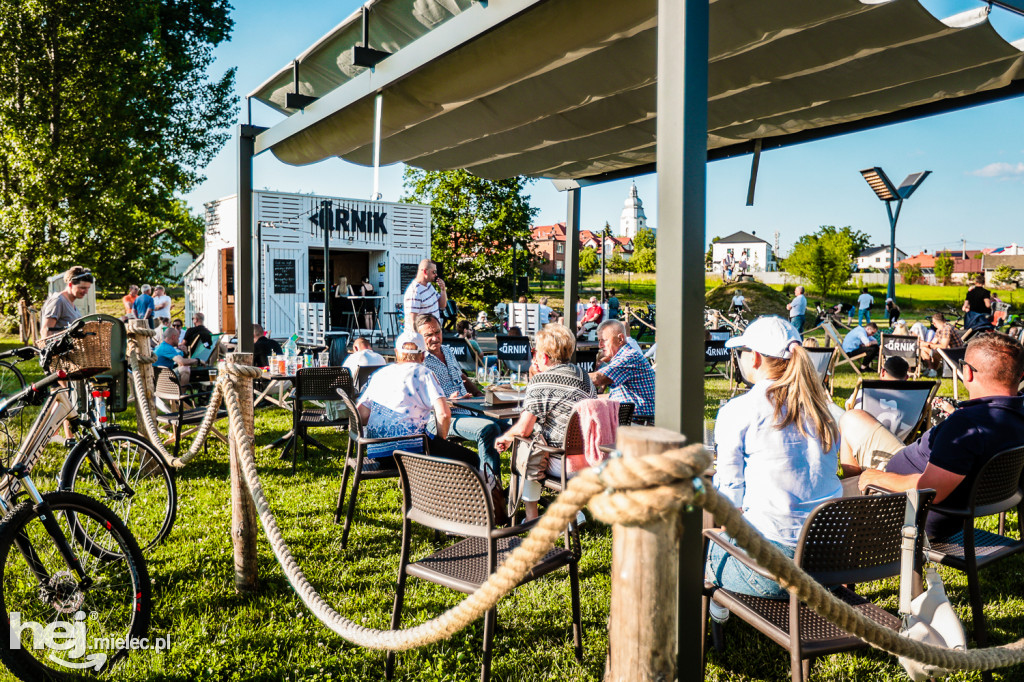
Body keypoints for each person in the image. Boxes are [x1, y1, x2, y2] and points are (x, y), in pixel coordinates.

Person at [707, 317, 842, 611]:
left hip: (771, 572)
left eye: (741, 352)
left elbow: (730, 499)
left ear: (754, 357)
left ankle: (717, 606)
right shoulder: (826, 412)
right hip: (828, 566)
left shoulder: (740, 409)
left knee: (692, 551)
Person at [846, 333, 1024, 538]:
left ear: (967, 372)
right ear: (1020, 375)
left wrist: (877, 477)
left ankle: (859, 504)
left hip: (912, 511)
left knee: (849, 419)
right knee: (854, 417)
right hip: (940, 492)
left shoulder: (966, 426)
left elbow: (930, 490)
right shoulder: (1012, 415)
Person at [495, 324, 596, 520]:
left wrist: (507, 437)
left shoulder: (541, 381)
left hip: (559, 460)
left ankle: (531, 516)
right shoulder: (584, 376)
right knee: (533, 440)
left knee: (527, 445)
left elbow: (523, 429)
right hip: (587, 458)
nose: (533, 356)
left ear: (544, 356)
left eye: (535, 352)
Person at [355, 330, 479, 467]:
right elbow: (444, 414)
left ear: (396, 353)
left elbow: (362, 414)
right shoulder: (424, 374)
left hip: (377, 453)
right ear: (423, 355)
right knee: (472, 459)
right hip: (411, 452)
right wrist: (440, 442)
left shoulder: (380, 373)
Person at [415, 315, 508, 473]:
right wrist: (445, 401)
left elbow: (461, 376)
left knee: (513, 429)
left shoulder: (447, 350)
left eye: (437, 332)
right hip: (442, 417)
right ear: (419, 337)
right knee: (488, 429)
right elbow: (419, 399)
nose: (435, 338)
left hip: (469, 408)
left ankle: (521, 487)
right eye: (428, 335)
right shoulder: (419, 360)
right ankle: (492, 488)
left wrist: (479, 394)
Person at [589, 320, 655, 419]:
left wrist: (564, 376)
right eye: (599, 340)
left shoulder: (629, 357)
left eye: (604, 340)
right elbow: (615, 397)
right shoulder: (624, 357)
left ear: (620, 339)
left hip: (640, 423)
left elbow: (597, 379)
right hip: (634, 419)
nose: (600, 345)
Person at [40, 266, 93, 337]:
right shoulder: (58, 301)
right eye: (82, 288)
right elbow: (45, 331)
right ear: (70, 284)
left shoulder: (72, 304)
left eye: (87, 288)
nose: (86, 292)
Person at [843, 356, 909, 411]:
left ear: (882, 372)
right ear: (906, 377)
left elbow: (849, 407)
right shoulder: (913, 396)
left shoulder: (864, 394)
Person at [403, 259, 447, 330]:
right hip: (423, 335)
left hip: (432, 333)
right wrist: (418, 339)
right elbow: (412, 321)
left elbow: (442, 305)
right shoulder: (414, 291)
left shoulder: (429, 286)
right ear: (425, 271)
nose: (436, 274)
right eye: (434, 272)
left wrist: (443, 290)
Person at [918, 312, 963, 377]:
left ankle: (933, 370)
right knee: (922, 348)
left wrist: (927, 344)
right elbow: (933, 343)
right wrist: (922, 343)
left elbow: (943, 346)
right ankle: (931, 369)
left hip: (954, 353)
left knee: (935, 352)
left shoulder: (946, 329)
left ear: (934, 323)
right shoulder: (939, 329)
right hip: (948, 351)